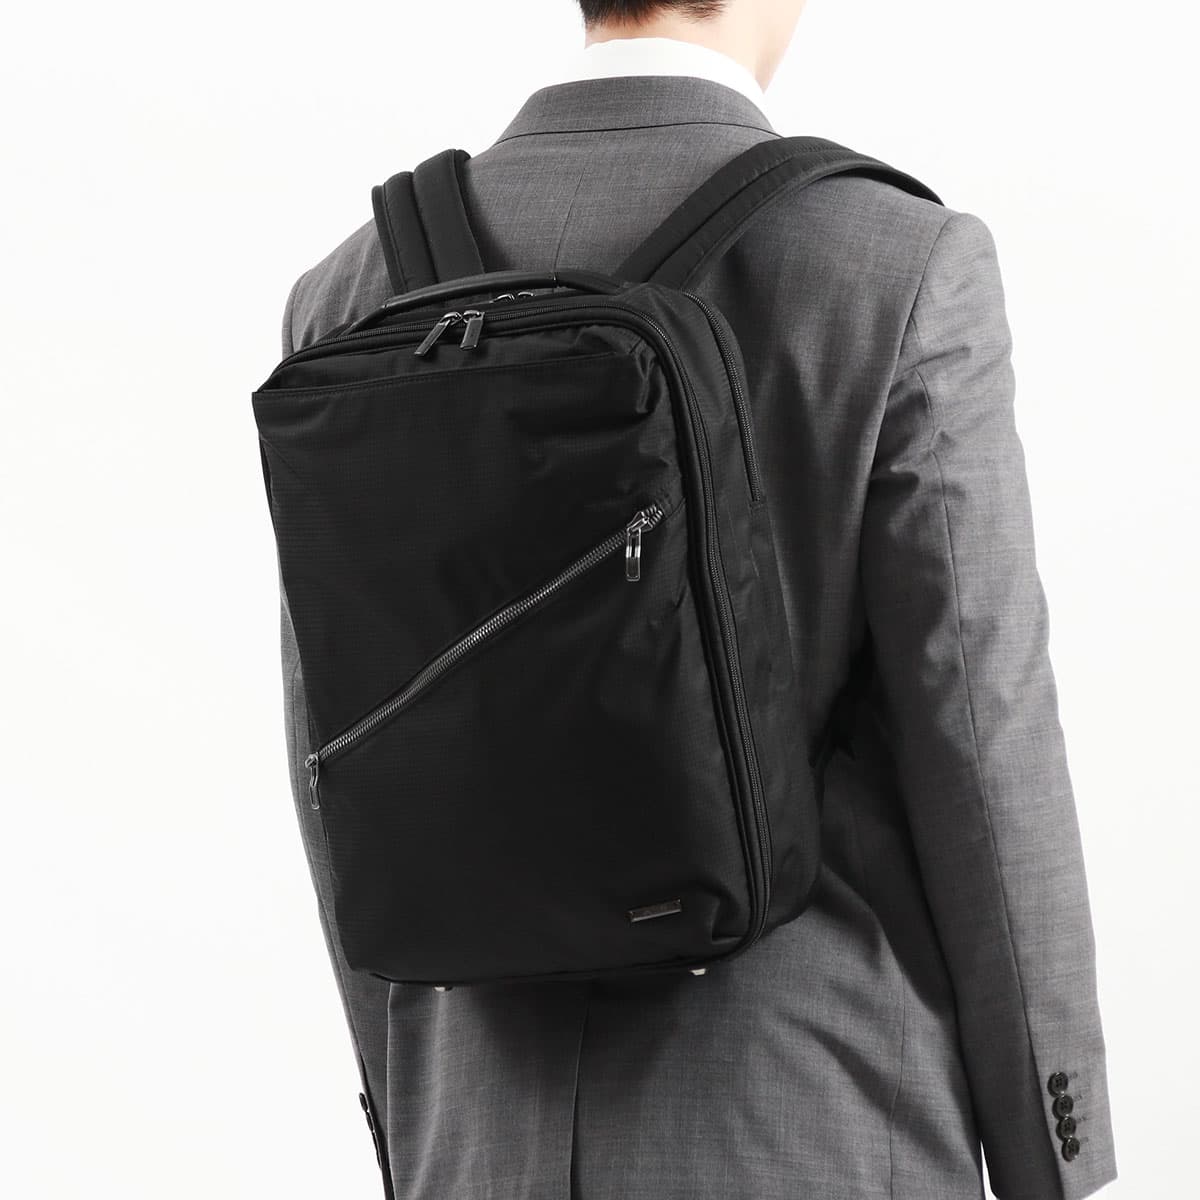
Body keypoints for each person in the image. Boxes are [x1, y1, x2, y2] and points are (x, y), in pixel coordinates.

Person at [274, 2, 1117, 1196]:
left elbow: (339, 767)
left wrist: (425, 1138)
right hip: (813, 1129)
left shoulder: (350, 296)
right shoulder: (894, 266)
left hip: (475, 1144)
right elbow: (985, 740)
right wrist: (1052, 1161)